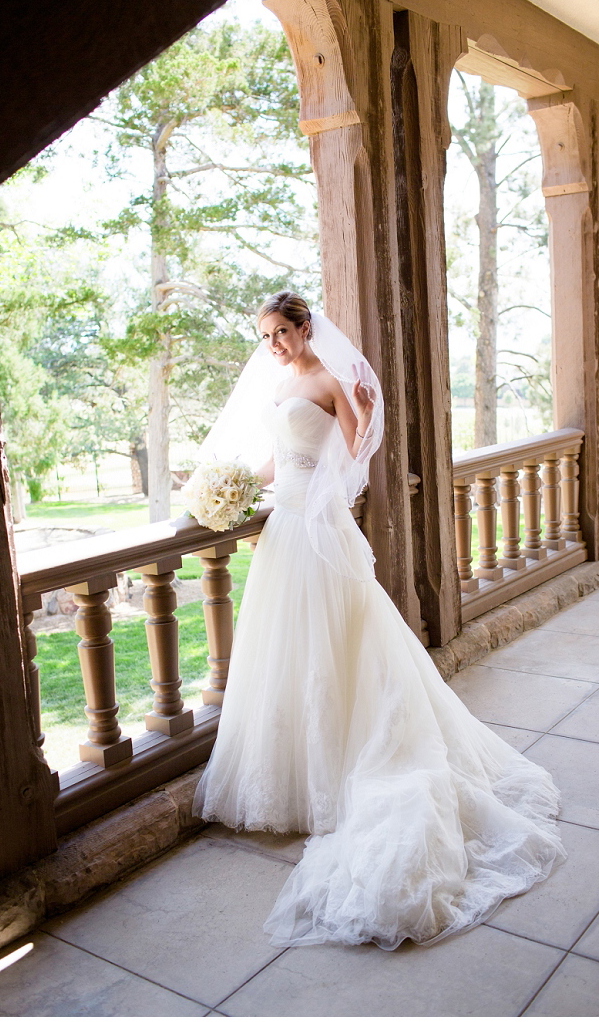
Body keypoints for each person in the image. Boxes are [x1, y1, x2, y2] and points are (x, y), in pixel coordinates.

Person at [192, 292, 564, 949]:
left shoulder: (333, 378)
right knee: (286, 650)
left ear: (306, 328)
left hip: (322, 525)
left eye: (281, 331)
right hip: (284, 527)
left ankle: (344, 765)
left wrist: (361, 403)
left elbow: (357, 447)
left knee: (341, 644)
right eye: (266, 335)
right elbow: (282, 456)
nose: (273, 344)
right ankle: (296, 777)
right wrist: (235, 489)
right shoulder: (280, 383)